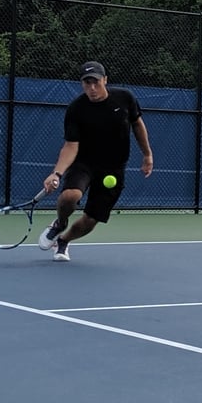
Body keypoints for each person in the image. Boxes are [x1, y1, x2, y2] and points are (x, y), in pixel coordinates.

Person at [39, 61, 154, 261]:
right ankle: (60, 222)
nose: (92, 88)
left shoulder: (125, 98)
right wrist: (56, 173)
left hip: (114, 168)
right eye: (87, 83)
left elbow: (137, 124)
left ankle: (64, 241)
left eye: (96, 82)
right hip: (85, 163)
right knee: (69, 197)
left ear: (105, 80)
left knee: (92, 219)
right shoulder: (76, 109)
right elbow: (70, 145)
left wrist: (147, 155)